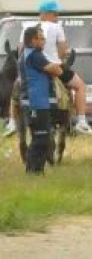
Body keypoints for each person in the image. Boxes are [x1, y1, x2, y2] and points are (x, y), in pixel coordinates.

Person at [5, 1, 92, 137]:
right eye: (55, 14)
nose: (57, 17)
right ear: (45, 14)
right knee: (80, 86)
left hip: (31, 67)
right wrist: (55, 58)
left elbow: (21, 50)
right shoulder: (57, 27)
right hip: (53, 66)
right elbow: (63, 51)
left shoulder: (27, 27)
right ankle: (81, 122)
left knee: (16, 90)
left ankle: (12, 122)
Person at [19, 25, 64, 174]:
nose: (44, 41)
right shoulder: (35, 55)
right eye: (41, 38)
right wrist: (55, 68)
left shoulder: (27, 54)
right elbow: (57, 70)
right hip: (36, 103)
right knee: (41, 138)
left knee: (41, 138)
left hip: (35, 102)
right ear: (33, 40)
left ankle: (36, 171)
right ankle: (32, 171)